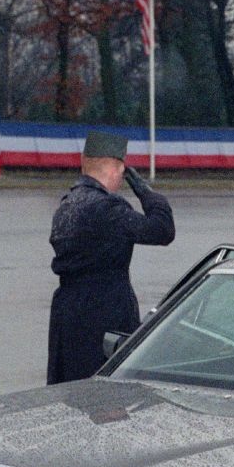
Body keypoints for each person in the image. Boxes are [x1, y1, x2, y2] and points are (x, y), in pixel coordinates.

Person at [46, 130, 175, 385]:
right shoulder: (107, 208)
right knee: (107, 402)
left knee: (69, 396)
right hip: (104, 319)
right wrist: (145, 191)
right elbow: (163, 230)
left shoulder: (67, 204)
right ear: (118, 170)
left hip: (67, 319)